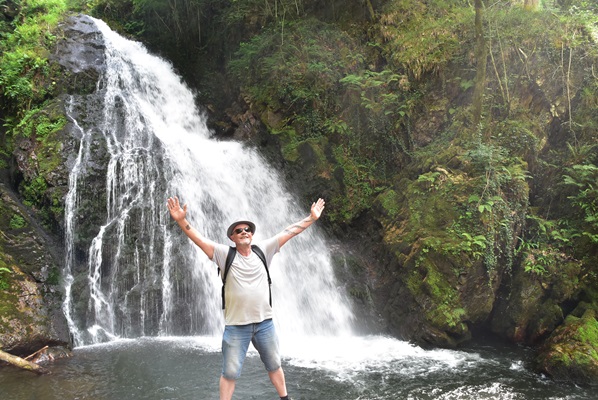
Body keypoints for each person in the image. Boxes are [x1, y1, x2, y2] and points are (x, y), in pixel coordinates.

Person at [166, 196, 325, 400]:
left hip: (264, 323)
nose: (244, 232)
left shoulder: (263, 250)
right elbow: (199, 240)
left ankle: (285, 398)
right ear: (232, 237)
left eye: (247, 230)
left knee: (275, 364)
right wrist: (181, 220)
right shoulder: (224, 255)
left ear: (252, 234)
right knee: (230, 372)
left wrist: (311, 218)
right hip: (236, 326)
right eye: (238, 231)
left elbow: (289, 232)